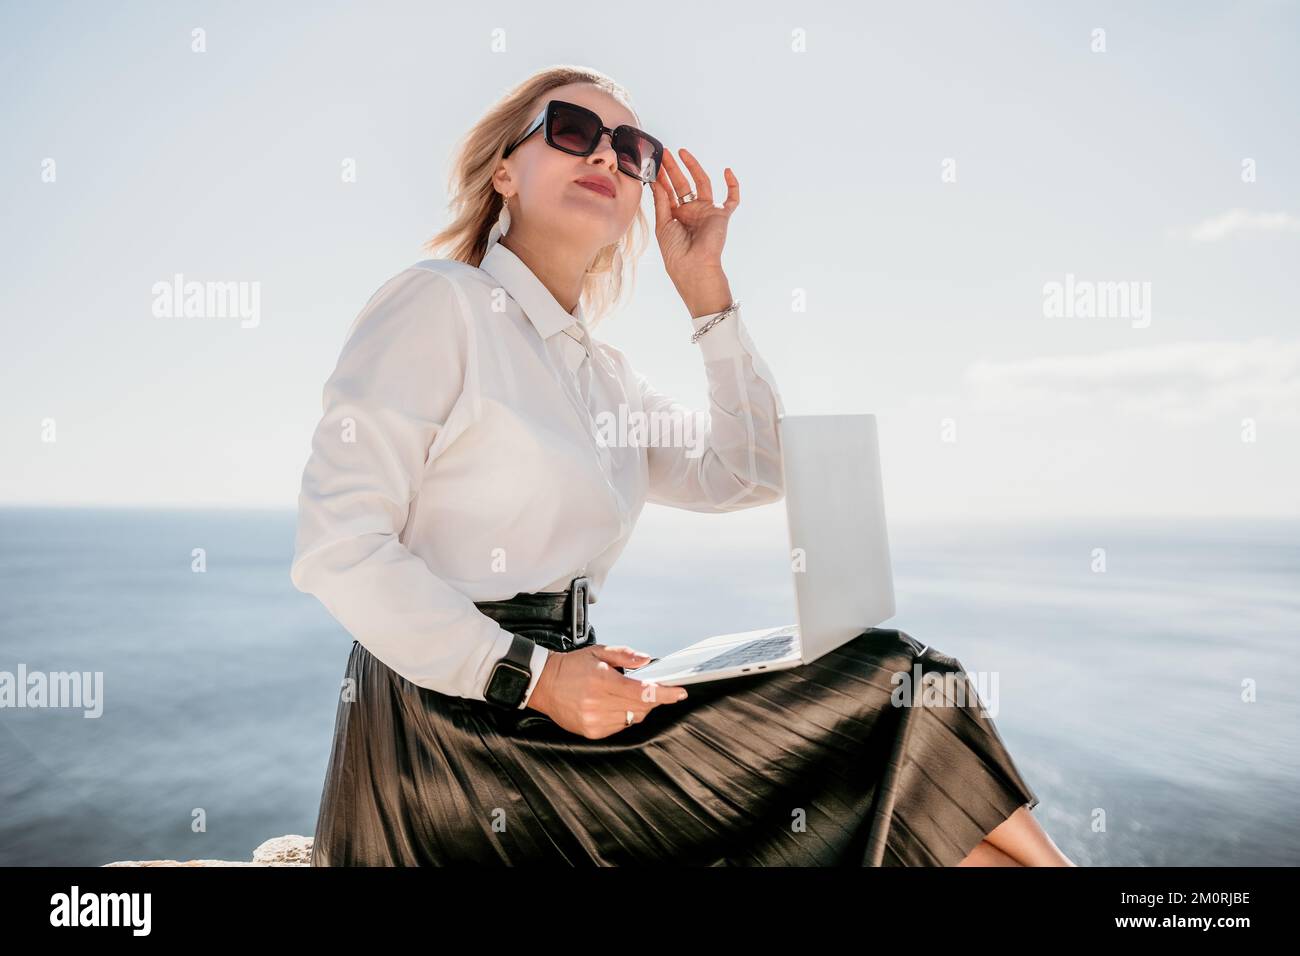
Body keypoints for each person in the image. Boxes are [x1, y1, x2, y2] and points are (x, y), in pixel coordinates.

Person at [290, 65, 1074, 866]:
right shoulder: (438, 303)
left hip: (570, 703)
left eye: (630, 149)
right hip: (452, 729)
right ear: (503, 173)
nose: (604, 157)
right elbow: (339, 548)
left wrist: (707, 294)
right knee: (894, 679)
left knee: (906, 706)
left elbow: (753, 469)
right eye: (571, 132)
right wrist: (533, 679)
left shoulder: (602, 375)